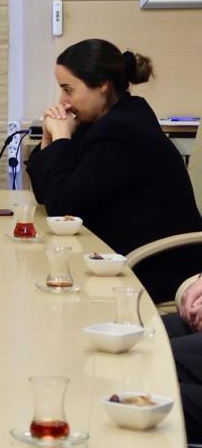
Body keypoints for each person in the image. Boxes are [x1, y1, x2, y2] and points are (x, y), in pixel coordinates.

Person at [26, 38, 202, 303]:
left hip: (155, 265)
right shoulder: (105, 120)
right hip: (118, 254)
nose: (63, 101)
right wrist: (48, 140)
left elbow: (62, 207)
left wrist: (62, 138)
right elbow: (47, 194)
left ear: (101, 85)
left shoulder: (122, 130)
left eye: (68, 90)